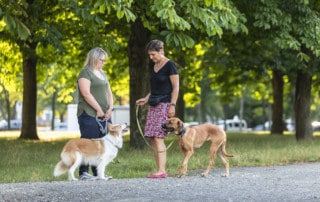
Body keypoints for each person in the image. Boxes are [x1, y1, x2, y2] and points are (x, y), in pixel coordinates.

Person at [136, 40, 179, 178]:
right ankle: (159, 169)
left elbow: (176, 87)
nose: (151, 57)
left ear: (161, 51)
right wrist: (146, 98)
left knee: (159, 136)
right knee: (153, 138)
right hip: (153, 104)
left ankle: (162, 170)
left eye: (153, 54)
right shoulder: (153, 65)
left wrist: (172, 105)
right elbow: (155, 88)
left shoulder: (170, 65)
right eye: (149, 55)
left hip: (165, 104)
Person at [76, 47, 114, 180]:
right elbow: (86, 93)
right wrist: (98, 109)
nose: (103, 63)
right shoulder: (85, 73)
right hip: (89, 113)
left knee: (102, 144)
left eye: (104, 60)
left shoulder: (102, 73)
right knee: (88, 143)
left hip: (104, 114)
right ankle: (83, 172)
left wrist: (110, 108)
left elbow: (109, 92)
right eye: (101, 60)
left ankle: (99, 173)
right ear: (94, 59)